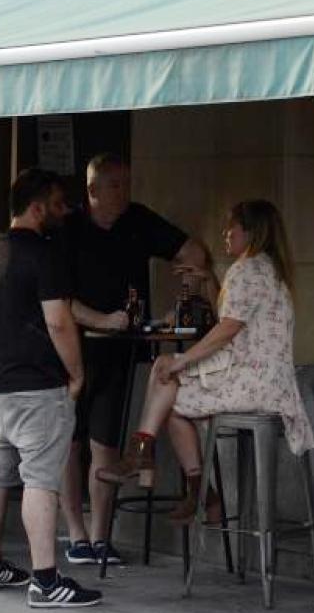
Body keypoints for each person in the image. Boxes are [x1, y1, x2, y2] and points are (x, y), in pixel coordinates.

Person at [115, 200, 314, 522]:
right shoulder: (269, 268)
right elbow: (232, 316)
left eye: (231, 227)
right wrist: (209, 280)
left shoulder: (246, 269)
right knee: (166, 378)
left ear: (250, 232)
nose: (225, 233)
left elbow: (226, 329)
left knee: (168, 388)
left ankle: (174, 475)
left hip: (252, 383)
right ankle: (163, 467)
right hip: (272, 385)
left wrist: (183, 362)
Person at [62, 152, 212, 566]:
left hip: (121, 350)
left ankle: (99, 536)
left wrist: (184, 291)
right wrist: (100, 319)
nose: (124, 193)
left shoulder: (139, 220)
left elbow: (193, 251)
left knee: (106, 443)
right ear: (92, 190)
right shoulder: (69, 229)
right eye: (115, 185)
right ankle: (74, 532)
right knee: (69, 444)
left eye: (128, 184)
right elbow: (56, 300)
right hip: (71, 349)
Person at [0, 168, 100, 608]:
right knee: (41, 481)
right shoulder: (43, 254)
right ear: (37, 206)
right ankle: (45, 581)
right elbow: (58, 319)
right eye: (58, 203)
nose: (65, 211)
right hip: (36, 385)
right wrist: (77, 372)